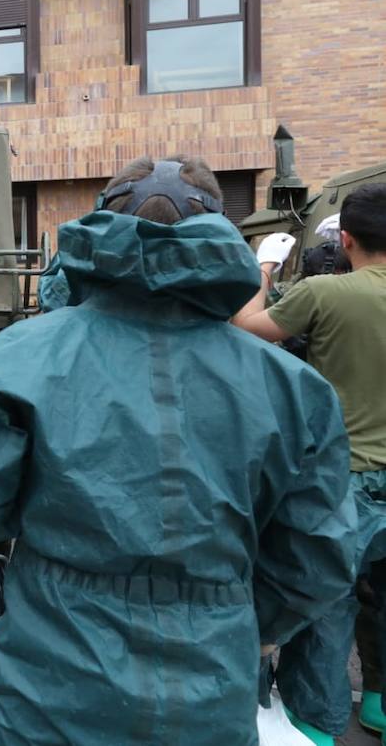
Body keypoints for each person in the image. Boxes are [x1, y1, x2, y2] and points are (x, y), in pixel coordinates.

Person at [0, 156, 357, 746]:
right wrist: (240, 622)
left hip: (46, 687)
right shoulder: (294, 388)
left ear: (102, 224)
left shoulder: (19, 357)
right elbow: (318, 556)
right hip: (209, 691)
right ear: (219, 235)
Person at [233, 183, 386, 745]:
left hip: (345, 480)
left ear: (345, 239)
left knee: (328, 605)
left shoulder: (326, 292)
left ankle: (315, 729)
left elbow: (247, 330)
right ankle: (377, 704)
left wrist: (264, 269)